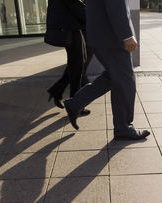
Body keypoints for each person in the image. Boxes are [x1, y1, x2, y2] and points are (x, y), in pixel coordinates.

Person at [63, 0, 150, 140]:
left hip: (103, 35)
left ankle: (75, 104)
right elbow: (116, 5)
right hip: (112, 37)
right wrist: (126, 35)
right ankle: (123, 128)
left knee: (113, 77)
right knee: (125, 82)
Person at [45, 0, 89, 115]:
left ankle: (57, 91)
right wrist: (93, 17)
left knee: (77, 65)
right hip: (72, 28)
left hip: (73, 27)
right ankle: (74, 106)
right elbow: (74, 4)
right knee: (78, 67)